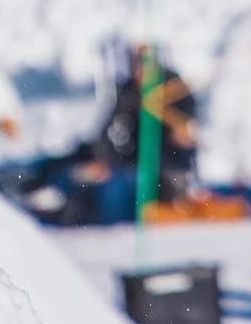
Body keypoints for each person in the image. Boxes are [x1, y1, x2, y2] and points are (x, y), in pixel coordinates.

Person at [84, 45, 198, 223]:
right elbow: (108, 127)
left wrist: (182, 130)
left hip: (171, 158)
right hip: (137, 159)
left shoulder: (175, 87)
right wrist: (102, 157)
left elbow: (189, 122)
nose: (141, 71)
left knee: (172, 187)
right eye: (137, 64)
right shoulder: (130, 92)